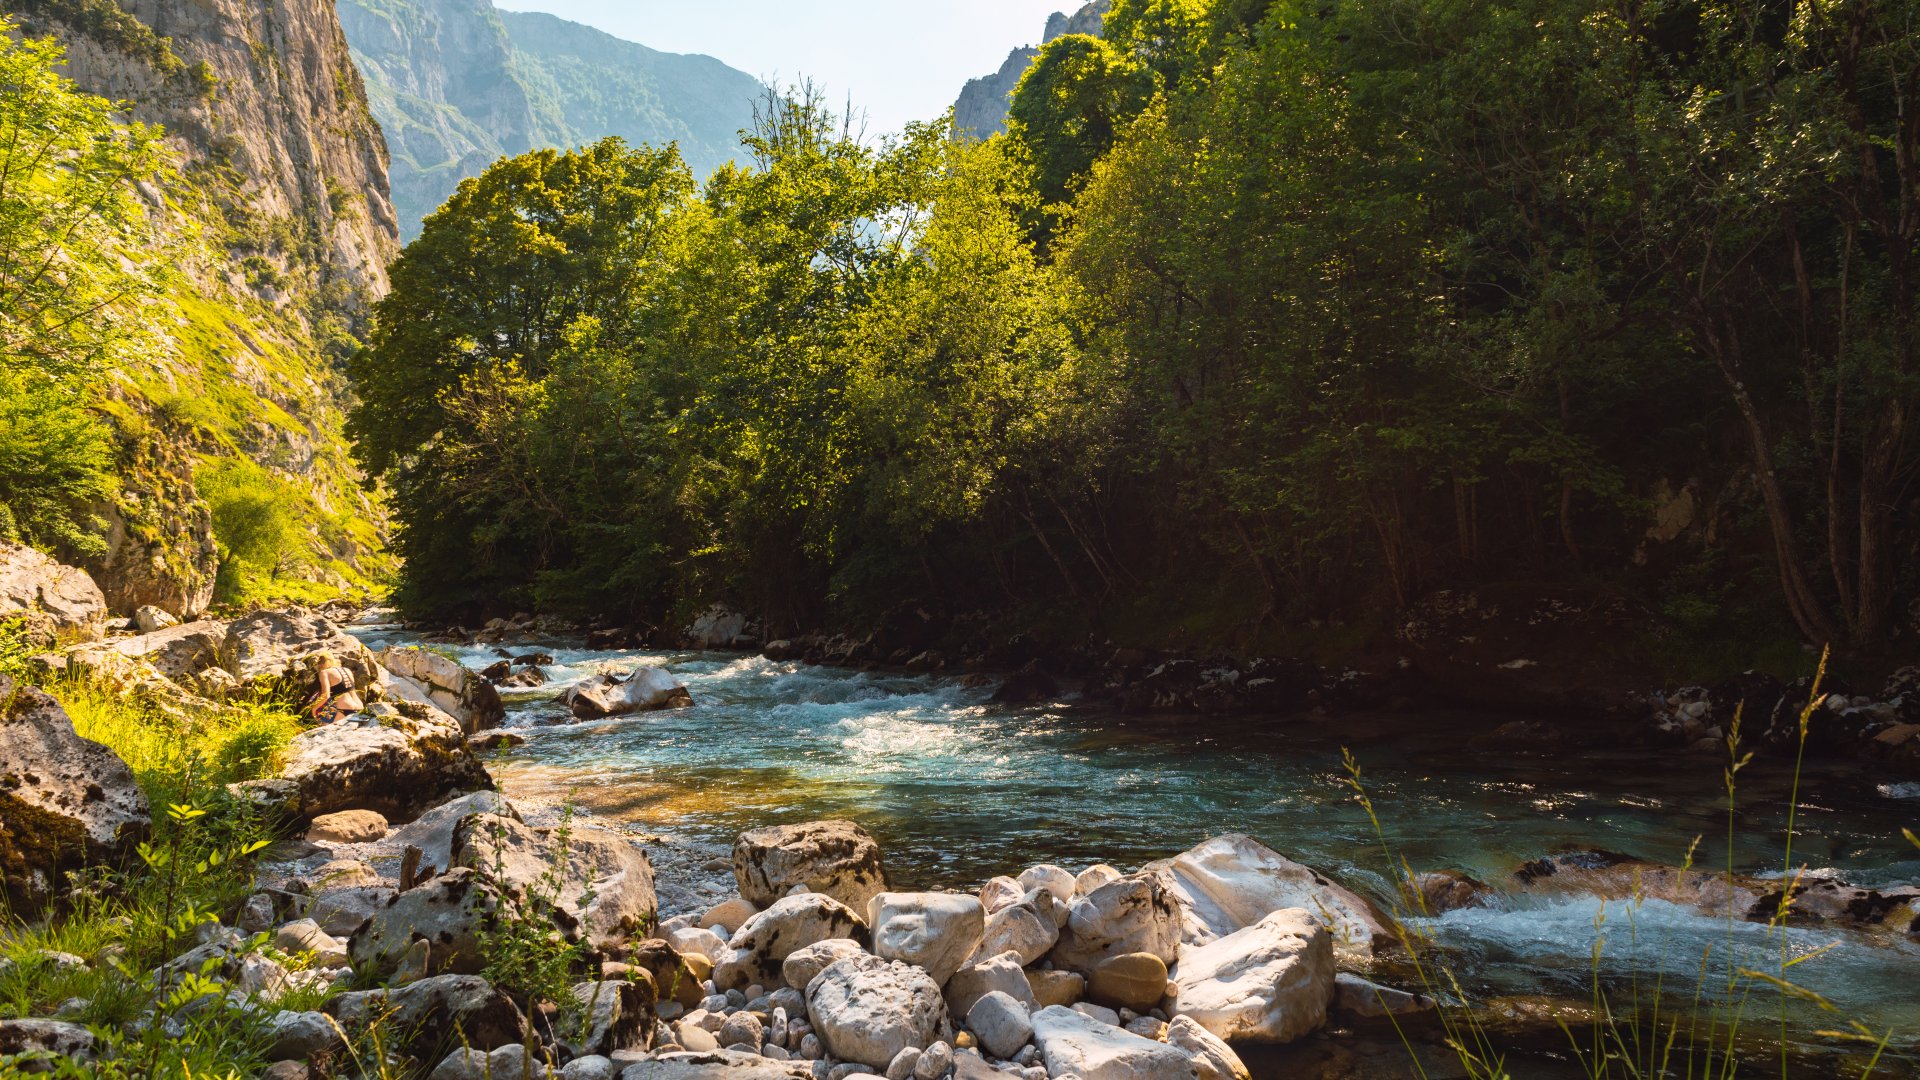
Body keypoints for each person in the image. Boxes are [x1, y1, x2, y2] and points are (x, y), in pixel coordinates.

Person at [305, 652, 363, 725]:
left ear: (320, 665)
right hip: (360, 708)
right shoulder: (347, 670)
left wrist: (314, 709)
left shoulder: (324, 673)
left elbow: (325, 696)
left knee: (323, 730)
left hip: (345, 710)